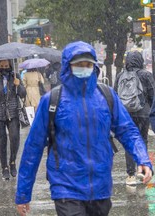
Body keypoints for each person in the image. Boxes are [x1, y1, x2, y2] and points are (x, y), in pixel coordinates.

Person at [15, 41, 153, 216]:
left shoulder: (107, 96)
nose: (84, 68)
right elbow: (32, 149)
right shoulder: (52, 101)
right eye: (78, 64)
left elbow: (128, 131)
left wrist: (142, 159)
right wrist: (23, 194)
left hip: (100, 187)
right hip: (66, 187)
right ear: (68, 67)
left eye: (88, 64)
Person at [114, 50, 155, 185]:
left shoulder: (120, 75)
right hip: (143, 112)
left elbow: (115, 94)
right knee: (142, 140)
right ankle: (141, 169)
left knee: (129, 141)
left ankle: (130, 174)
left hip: (126, 113)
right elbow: (152, 95)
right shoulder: (145, 75)